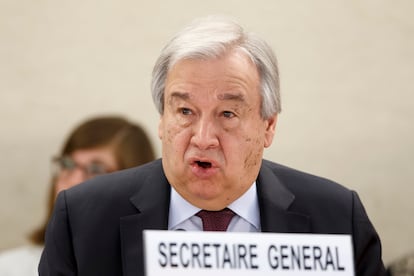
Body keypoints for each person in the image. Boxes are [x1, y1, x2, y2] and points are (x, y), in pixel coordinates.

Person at [39, 16, 386, 275]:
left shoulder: (338, 219)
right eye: (185, 111)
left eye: (228, 113)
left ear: (268, 125)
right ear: (162, 120)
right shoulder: (83, 220)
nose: (203, 138)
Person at [0, 115, 155, 275]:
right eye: (67, 164)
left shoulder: (162, 267)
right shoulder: (8, 269)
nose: (73, 182)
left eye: (96, 170)